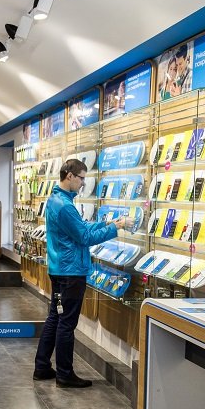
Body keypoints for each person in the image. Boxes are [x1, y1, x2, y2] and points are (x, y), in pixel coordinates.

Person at [34, 159, 126, 388]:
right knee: (66, 322)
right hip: (71, 273)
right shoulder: (65, 206)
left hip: (60, 270)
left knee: (56, 317)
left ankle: (42, 367)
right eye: (81, 178)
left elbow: (80, 228)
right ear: (70, 176)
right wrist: (115, 228)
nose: (83, 183)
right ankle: (65, 374)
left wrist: (108, 223)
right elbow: (85, 237)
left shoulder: (57, 200)